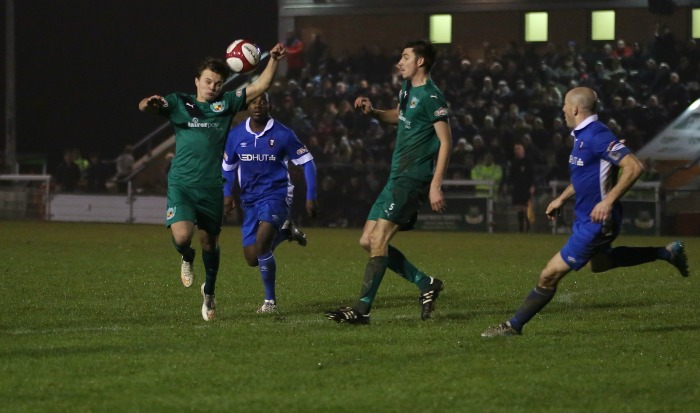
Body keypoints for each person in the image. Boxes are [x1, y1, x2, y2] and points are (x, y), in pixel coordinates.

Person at [481, 87, 690, 337]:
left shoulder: (596, 135)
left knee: (549, 275)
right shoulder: (583, 136)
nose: (562, 111)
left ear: (575, 109)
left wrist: (607, 201)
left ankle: (512, 326)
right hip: (587, 218)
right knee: (600, 264)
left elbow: (634, 167)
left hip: (597, 221)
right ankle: (666, 253)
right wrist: (561, 198)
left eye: (564, 107)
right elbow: (587, 176)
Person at [138, 43, 287, 321]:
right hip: (182, 185)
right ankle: (185, 256)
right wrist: (150, 102)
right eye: (207, 81)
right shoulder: (180, 102)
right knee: (183, 237)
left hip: (211, 188)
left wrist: (274, 61)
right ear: (197, 81)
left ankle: (210, 293)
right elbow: (145, 106)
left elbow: (260, 86)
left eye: (218, 83)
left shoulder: (227, 103)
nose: (212, 87)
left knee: (210, 243)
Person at [324, 39, 452, 324]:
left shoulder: (432, 97)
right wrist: (374, 113)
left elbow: (446, 141)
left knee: (379, 239)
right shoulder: (407, 89)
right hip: (396, 175)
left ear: (420, 61)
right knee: (367, 241)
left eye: (405, 57)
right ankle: (425, 283)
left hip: (412, 178)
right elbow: (400, 116)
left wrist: (435, 184)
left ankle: (362, 310)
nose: (399, 62)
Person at [222, 92, 318, 313]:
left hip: (277, 194)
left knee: (263, 243)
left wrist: (311, 196)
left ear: (270, 105)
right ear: (247, 106)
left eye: (262, 101)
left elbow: (307, 162)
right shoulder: (236, 135)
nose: (258, 105)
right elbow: (227, 168)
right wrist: (227, 193)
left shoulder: (283, 134)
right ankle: (286, 233)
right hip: (249, 200)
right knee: (252, 258)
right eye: (254, 101)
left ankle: (270, 303)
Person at [508, 142, 535, 233]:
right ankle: (521, 227)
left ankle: (528, 225)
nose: (516, 151)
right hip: (517, 187)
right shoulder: (514, 162)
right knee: (519, 207)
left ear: (523, 150)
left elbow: (532, 175)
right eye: (515, 149)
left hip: (526, 187)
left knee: (525, 207)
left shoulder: (528, 161)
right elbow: (511, 175)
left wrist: (532, 185)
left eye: (518, 149)